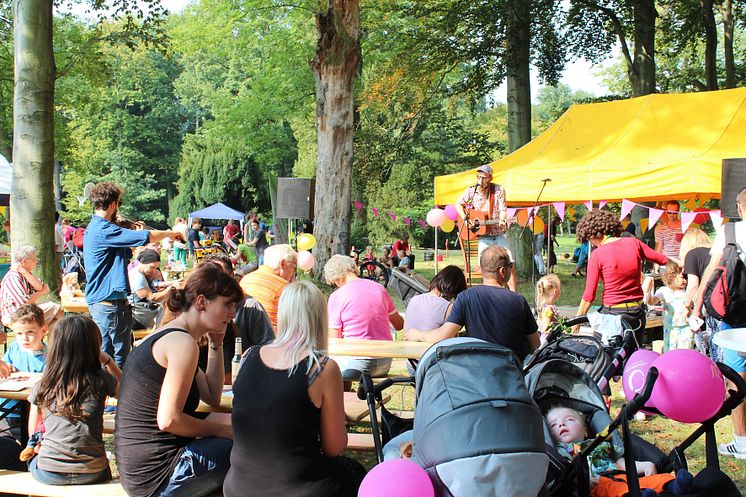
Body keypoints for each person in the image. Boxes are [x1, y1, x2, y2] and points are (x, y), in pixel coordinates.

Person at [224, 280, 366, 497]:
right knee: (354, 471)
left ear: (283, 314)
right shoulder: (321, 369)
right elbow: (334, 447)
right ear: (319, 317)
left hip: (238, 486)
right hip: (297, 488)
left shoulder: (248, 355)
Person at [115, 265, 241, 497]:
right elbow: (169, 420)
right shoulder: (181, 344)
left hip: (139, 473)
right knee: (252, 447)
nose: (233, 313)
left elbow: (212, 396)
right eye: (228, 304)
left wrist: (216, 344)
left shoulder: (172, 336)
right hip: (158, 476)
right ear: (202, 302)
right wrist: (221, 431)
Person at [83, 182, 182, 368]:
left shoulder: (96, 228)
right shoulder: (105, 229)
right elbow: (147, 237)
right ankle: (118, 394)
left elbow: (124, 254)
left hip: (104, 302)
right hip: (110, 304)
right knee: (116, 356)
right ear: (112, 205)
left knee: (110, 354)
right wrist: (170, 233)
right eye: (118, 204)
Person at [27, 315, 122, 485]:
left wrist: (35, 445)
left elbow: (34, 424)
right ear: (94, 346)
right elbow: (126, 390)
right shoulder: (101, 380)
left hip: (50, 471)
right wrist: (107, 360)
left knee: (31, 462)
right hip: (93, 471)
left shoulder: (44, 384)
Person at [405, 246, 539, 361]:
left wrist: (418, 335)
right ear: (502, 271)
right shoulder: (518, 300)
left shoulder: (465, 297)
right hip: (514, 373)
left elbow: (443, 335)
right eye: (510, 266)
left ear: (481, 269)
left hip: (478, 373)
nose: (511, 270)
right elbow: (535, 345)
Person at [692, 186, 746, 459]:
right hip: (736, 315)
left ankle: (742, 440)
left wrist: (698, 305)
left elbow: (713, 270)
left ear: (738, 208)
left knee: (737, 378)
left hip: (735, 315)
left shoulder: (730, 232)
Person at [575, 209, 668, 338]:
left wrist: (577, 321)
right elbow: (663, 260)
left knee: (606, 354)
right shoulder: (634, 243)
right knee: (633, 354)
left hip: (613, 314)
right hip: (637, 312)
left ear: (594, 234)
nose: (591, 243)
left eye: (589, 239)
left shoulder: (597, 254)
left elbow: (589, 295)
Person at [546, 406, 671, 497]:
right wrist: (580, 479)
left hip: (622, 476)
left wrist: (646, 465)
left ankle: (675, 485)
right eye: (553, 425)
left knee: (655, 480)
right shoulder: (560, 453)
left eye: (569, 420)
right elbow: (567, 473)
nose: (561, 424)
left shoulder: (601, 443)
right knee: (615, 488)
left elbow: (622, 464)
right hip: (597, 483)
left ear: (585, 430)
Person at [325, 255, 404, 383]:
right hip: (384, 362)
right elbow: (399, 325)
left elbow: (334, 338)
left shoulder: (337, 296)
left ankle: (345, 398)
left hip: (355, 365)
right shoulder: (379, 288)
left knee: (330, 361)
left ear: (336, 278)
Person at [455, 164, 517, 291]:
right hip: (483, 235)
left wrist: (502, 219)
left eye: (483, 177)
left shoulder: (498, 189)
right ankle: (489, 293)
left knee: (509, 263)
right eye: (479, 177)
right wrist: (466, 219)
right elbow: (458, 204)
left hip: (499, 233)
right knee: (485, 265)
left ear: (490, 178)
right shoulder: (471, 191)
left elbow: (502, 209)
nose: (480, 180)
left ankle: (513, 293)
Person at [0, 305, 48, 441]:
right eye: (19, 334)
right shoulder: (15, 347)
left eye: (30, 332)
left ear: (43, 330)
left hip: (34, 412)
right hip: (8, 408)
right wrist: (6, 367)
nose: (24, 338)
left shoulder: (49, 355)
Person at [0, 245, 62, 330]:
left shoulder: (25, 274)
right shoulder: (13, 277)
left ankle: (55, 342)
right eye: (34, 259)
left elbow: (40, 287)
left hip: (25, 311)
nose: (36, 262)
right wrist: (42, 292)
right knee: (56, 308)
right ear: (24, 261)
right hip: (14, 315)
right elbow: (24, 302)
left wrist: (23, 271)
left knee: (54, 322)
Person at [679, 227, 719, 358]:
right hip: (722, 301)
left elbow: (693, 285)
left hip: (707, 304)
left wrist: (686, 306)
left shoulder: (692, 254)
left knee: (708, 346)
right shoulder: (716, 253)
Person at [239, 244, 297, 329]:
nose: (294, 271)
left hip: (244, 336)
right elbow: (293, 323)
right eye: (294, 265)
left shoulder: (245, 279)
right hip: (272, 338)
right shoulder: (283, 287)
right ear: (282, 263)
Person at [404, 265, 467, 338]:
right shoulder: (448, 308)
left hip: (408, 347)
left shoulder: (414, 300)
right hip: (434, 348)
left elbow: (405, 332)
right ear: (457, 289)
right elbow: (449, 337)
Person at [643, 261, 690, 352]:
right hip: (670, 328)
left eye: (686, 278)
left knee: (685, 352)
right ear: (671, 277)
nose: (685, 280)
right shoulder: (664, 291)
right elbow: (652, 301)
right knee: (670, 351)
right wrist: (648, 291)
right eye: (682, 277)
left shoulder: (687, 292)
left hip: (686, 327)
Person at [129, 249, 180, 330]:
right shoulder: (137, 277)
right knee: (173, 316)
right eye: (152, 267)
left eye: (156, 268)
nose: (153, 271)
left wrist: (173, 282)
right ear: (143, 263)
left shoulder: (142, 273)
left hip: (147, 310)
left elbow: (155, 285)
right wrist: (171, 288)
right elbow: (151, 297)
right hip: (142, 315)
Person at [654, 200, 683, 266]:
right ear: (666, 212)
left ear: (678, 212)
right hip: (665, 264)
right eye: (670, 212)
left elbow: (689, 246)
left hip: (680, 263)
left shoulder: (685, 226)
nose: (672, 215)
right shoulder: (661, 228)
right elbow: (659, 249)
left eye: (674, 212)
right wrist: (656, 264)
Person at [536, 273, 561, 342]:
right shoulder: (548, 309)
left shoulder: (543, 307)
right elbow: (546, 328)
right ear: (555, 292)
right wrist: (559, 329)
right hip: (548, 342)